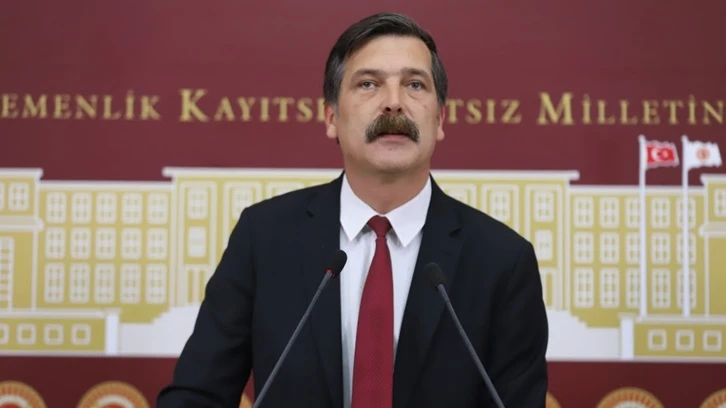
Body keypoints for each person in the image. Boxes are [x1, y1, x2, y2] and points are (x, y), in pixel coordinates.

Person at [157, 11, 549, 408]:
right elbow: (197, 395)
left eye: (414, 85)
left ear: (440, 118)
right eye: (368, 84)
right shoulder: (264, 238)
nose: (393, 103)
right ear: (331, 118)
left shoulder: (502, 260)